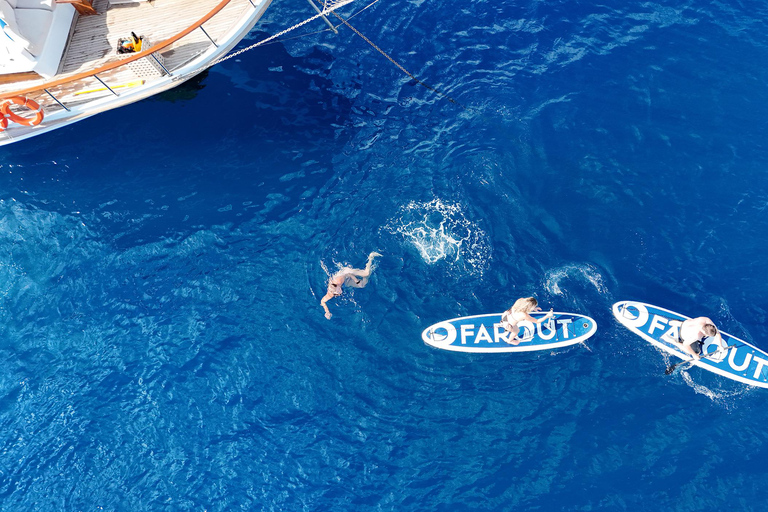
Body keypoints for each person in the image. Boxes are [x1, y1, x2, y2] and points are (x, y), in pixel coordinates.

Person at [320, 252, 382, 320]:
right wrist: (327, 312)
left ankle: (371, 257)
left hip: (346, 274)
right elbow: (322, 301)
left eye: (338, 290)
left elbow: (348, 274)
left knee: (366, 273)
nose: (340, 292)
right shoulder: (331, 294)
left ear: (337, 286)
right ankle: (369, 273)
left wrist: (356, 280)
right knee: (362, 285)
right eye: (337, 293)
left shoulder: (338, 280)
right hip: (345, 283)